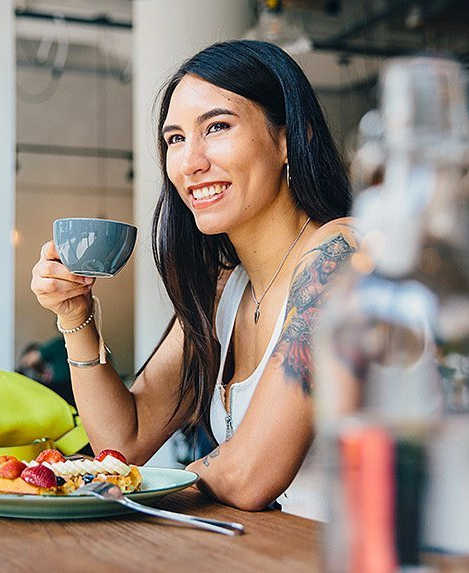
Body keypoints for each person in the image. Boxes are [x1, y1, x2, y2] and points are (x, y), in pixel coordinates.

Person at [31, 40, 355, 516]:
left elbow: (250, 474)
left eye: (217, 127)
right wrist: (74, 315)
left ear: (292, 138)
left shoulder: (342, 253)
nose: (189, 162)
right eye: (175, 139)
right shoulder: (227, 286)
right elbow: (126, 439)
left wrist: (115, 485)